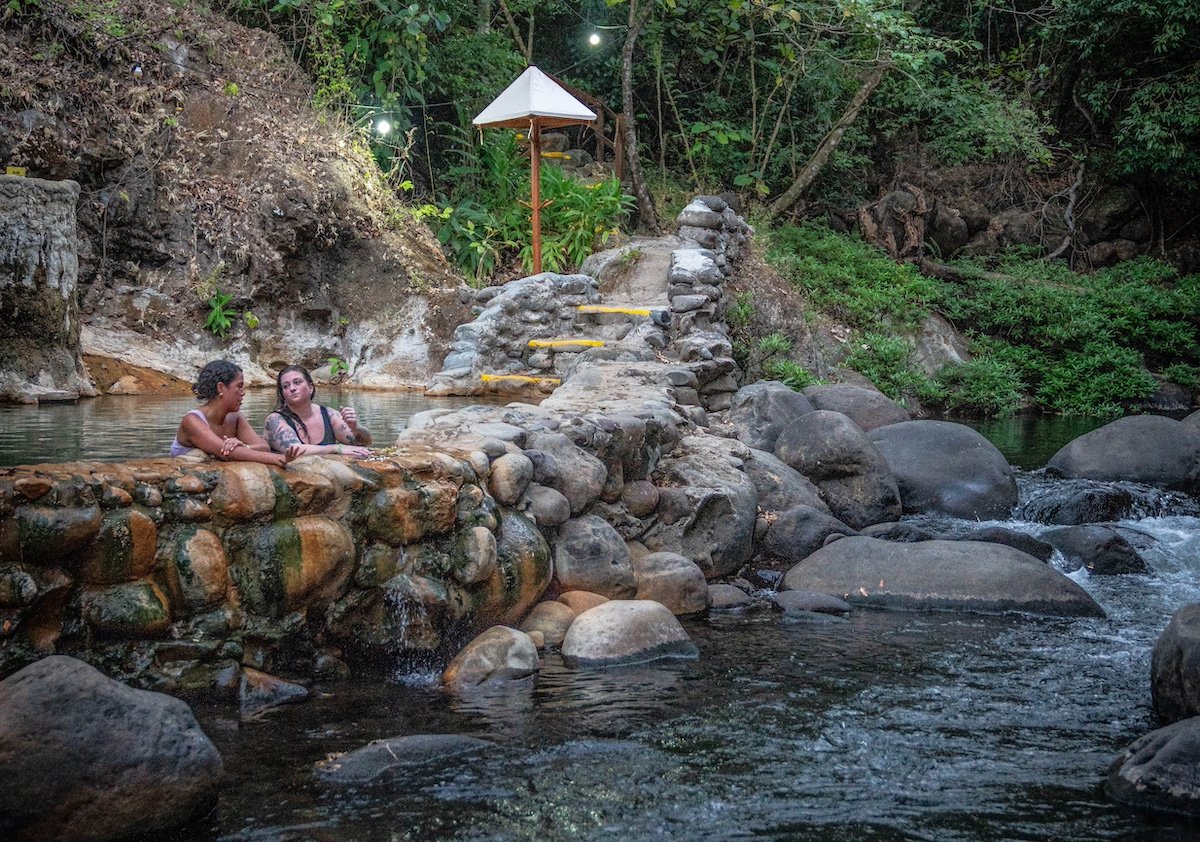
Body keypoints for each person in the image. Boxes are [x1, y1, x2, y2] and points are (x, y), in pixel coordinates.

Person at [171, 360, 297, 467]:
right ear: (221, 388)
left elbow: (264, 446)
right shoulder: (192, 421)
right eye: (239, 386)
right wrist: (278, 459)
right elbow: (226, 453)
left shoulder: (234, 417)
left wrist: (245, 447)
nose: (243, 392)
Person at [263, 364, 372, 457]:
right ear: (282, 394)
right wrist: (335, 448)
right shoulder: (274, 420)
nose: (292, 388)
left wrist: (355, 428)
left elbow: (363, 443)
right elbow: (293, 450)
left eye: (297, 382)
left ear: (310, 388)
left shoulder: (329, 415)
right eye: (286, 386)